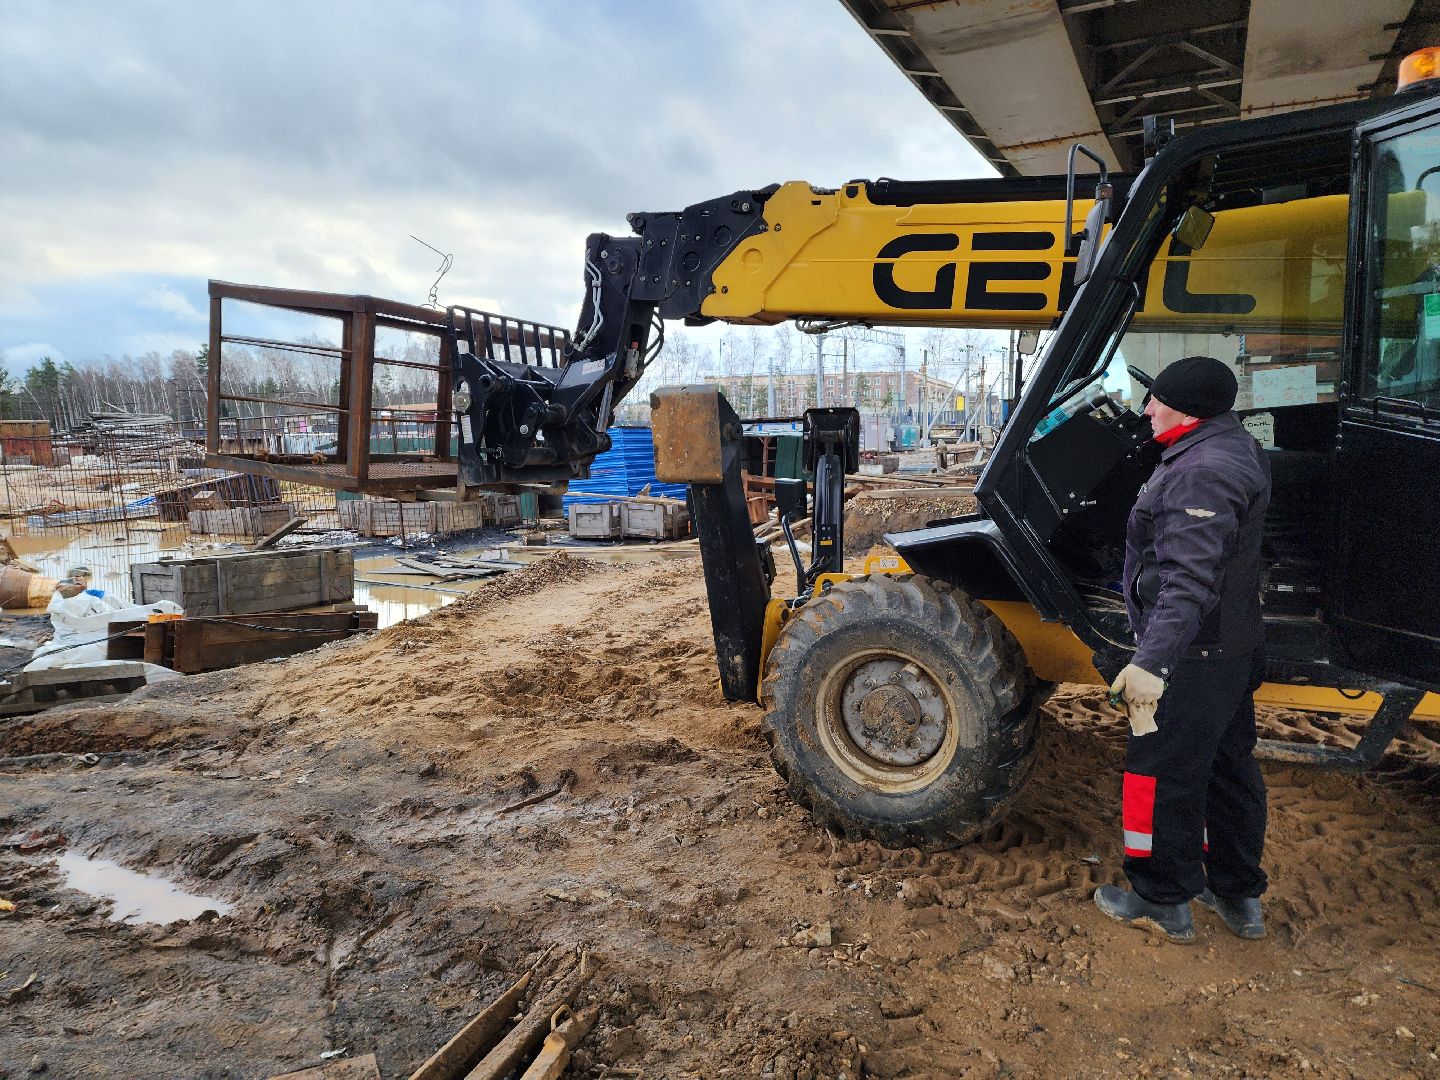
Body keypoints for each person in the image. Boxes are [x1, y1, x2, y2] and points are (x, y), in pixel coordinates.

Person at [1095, 356, 1272, 944]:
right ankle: (1236, 893)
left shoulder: (1201, 472)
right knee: (1228, 769)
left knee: (1164, 773)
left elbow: (1188, 582)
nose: (1146, 409)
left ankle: (1161, 897)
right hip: (1231, 645)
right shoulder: (1231, 447)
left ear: (1186, 408)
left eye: (1157, 400)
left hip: (1195, 655)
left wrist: (1151, 662)